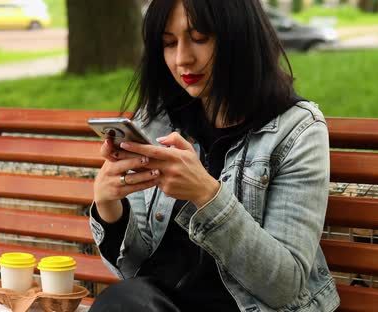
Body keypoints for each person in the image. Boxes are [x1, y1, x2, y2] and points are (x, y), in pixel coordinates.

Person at [88, 0, 340, 311]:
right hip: (158, 304)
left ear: (239, 36)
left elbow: (285, 288)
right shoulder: (157, 122)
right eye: (169, 43)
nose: (183, 59)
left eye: (199, 38)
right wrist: (109, 206)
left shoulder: (297, 130)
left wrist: (206, 194)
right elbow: (132, 271)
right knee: (124, 299)